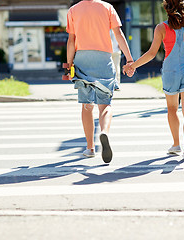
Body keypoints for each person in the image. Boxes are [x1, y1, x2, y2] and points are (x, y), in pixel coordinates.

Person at [123, 0, 184, 161]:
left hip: (170, 71)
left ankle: (176, 144)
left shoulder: (161, 28)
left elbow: (151, 53)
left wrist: (133, 65)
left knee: (172, 109)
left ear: (167, 8)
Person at [66, 0, 133, 163]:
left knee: (86, 106)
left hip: (82, 60)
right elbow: (118, 35)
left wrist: (69, 66)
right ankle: (104, 132)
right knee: (105, 105)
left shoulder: (73, 10)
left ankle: (90, 147)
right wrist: (130, 60)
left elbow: (71, 40)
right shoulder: (107, 8)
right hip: (103, 59)